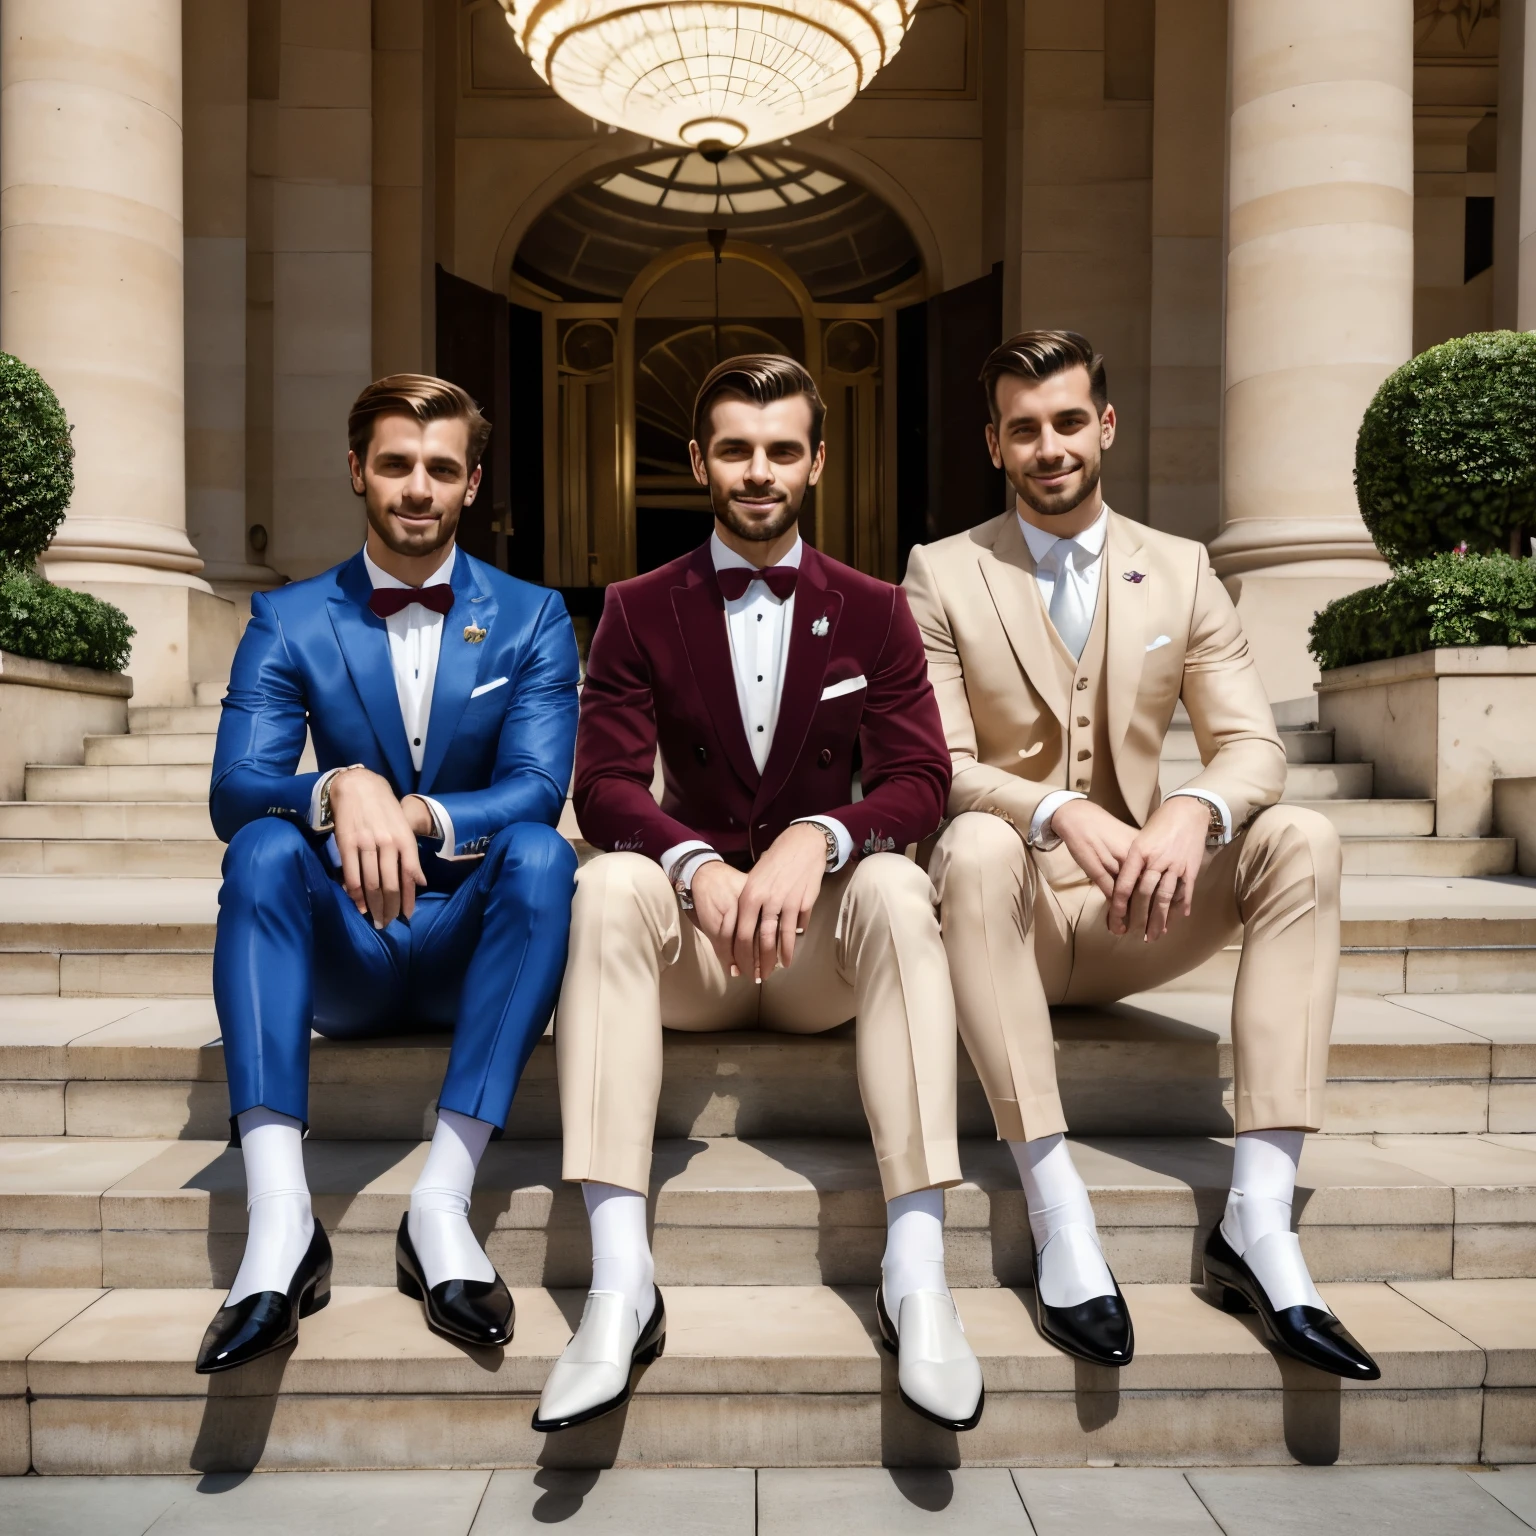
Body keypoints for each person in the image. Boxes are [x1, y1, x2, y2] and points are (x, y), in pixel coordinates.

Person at [902, 330, 1379, 1381]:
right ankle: (1057, 1208)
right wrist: (1059, 812)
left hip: (1139, 915)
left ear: (1104, 425)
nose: (1050, 446)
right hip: (1007, 912)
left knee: (1300, 834)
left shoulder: (1183, 568)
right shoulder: (941, 572)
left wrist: (1196, 808)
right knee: (976, 840)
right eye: (1023, 429)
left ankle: (1258, 1225)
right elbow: (936, 765)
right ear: (994, 444)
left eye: (1068, 421)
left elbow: (1254, 744)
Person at [535, 355, 985, 1435]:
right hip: (694, 951)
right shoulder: (639, 609)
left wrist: (817, 840)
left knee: (890, 884)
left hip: (814, 954)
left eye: (782, 449)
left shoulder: (875, 611)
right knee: (606, 891)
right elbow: (599, 786)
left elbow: (922, 780)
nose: (758, 470)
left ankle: (919, 1276)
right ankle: (617, 1283)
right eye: (735, 449)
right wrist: (696, 864)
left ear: (817, 461)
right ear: (698, 461)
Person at [196, 374, 580, 1373]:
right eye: (398, 464)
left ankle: (442, 1204)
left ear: (472, 484)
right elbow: (235, 788)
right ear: (358, 470)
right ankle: (281, 1226)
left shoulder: (536, 618)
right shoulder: (286, 618)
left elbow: (537, 789)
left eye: (441, 469)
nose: (418, 487)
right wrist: (334, 789)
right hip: (348, 954)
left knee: (544, 856)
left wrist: (411, 809)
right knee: (265, 844)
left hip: (465, 951)